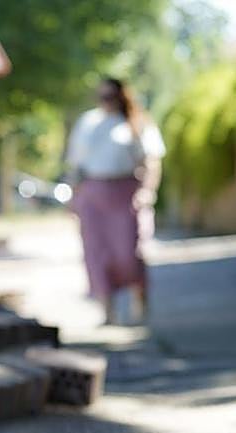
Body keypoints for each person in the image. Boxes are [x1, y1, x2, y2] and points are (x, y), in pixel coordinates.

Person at [65, 78, 166, 325]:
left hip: (125, 192)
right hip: (92, 192)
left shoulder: (137, 123)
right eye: (102, 97)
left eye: (110, 96)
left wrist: (147, 191)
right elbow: (76, 165)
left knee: (129, 252)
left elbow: (152, 161)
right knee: (96, 253)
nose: (106, 102)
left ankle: (139, 299)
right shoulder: (88, 123)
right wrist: (74, 196)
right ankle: (106, 311)